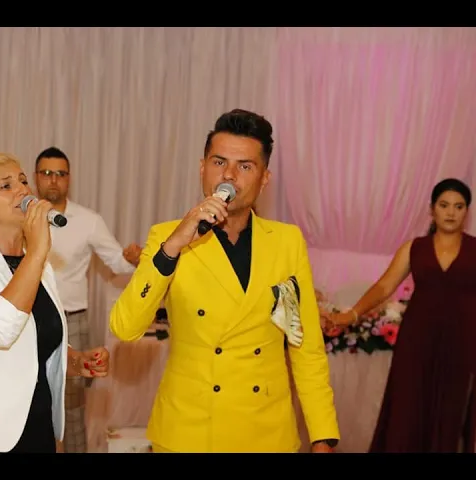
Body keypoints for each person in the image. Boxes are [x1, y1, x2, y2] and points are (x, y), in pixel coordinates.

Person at [109, 109, 340, 453]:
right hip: (189, 432)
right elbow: (125, 327)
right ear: (202, 168)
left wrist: (322, 436)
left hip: (266, 433)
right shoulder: (167, 237)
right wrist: (173, 246)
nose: (229, 175)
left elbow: (305, 347)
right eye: (219, 162)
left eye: (245, 166)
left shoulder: (286, 242)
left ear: (264, 178)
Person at [0, 151, 110, 453]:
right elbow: (0, 331)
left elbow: (32, 340)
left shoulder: (38, 265)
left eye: (23, 181)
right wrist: (38, 251)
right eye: (6, 185)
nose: (22, 190)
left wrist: (74, 361)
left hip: (37, 426)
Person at [323, 178, 476, 453]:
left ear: (467, 211)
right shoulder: (414, 248)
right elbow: (384, 287)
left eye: (458, 206)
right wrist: (352, 314)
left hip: (462, 342)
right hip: (417, 342)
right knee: (407, 410)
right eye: (444, 205)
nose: (451, 212)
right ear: (432, 209)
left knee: (452, 413)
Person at [33, 146, 140, 452]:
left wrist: (131, 259)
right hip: (29, 320)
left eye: (60, 174)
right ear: (36, 177)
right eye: (47, 173)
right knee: (30, 401)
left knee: (72, 408)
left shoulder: (88, 220)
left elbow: (116, 261)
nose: (53, 180)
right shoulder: (22, 216)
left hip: (72, 321)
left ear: (69, 178)